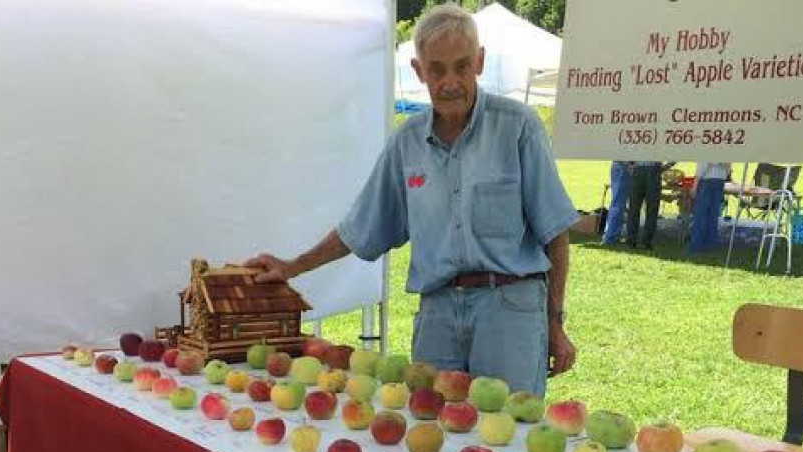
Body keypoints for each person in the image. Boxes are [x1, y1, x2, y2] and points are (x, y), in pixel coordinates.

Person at [245, 3, 578, 396]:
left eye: (461, 65)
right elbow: (360, 228)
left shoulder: (519, 127)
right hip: (437, 311)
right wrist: (292, 266)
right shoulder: (406, 143)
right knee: (432, 431)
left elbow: (556, 234)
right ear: (419, 71)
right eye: (436, 69)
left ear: (480, 62)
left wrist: (554, 321)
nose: (449, 81)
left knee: (510, 435)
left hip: (508, 308)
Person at [626, 162, 672, 250]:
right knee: (651, 210)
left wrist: (630, 165)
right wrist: (666, 166)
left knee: (634, 209)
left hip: (639, 169)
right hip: (652, 170)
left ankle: (632, 241)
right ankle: (646, 242)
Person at [688, 162, 731, 252]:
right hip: (720, 180)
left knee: (701, 215)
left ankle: (697, 245)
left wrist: (695, 186)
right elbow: (728, 167)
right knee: (713, 215)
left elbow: (702, 165)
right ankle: (710, 244)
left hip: (706, 180)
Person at [602, 161, 632, 245]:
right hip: (623, 166)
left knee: (618, 204)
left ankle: (613, 236)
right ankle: (609, 237)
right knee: (618, 204)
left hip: (619, 165)